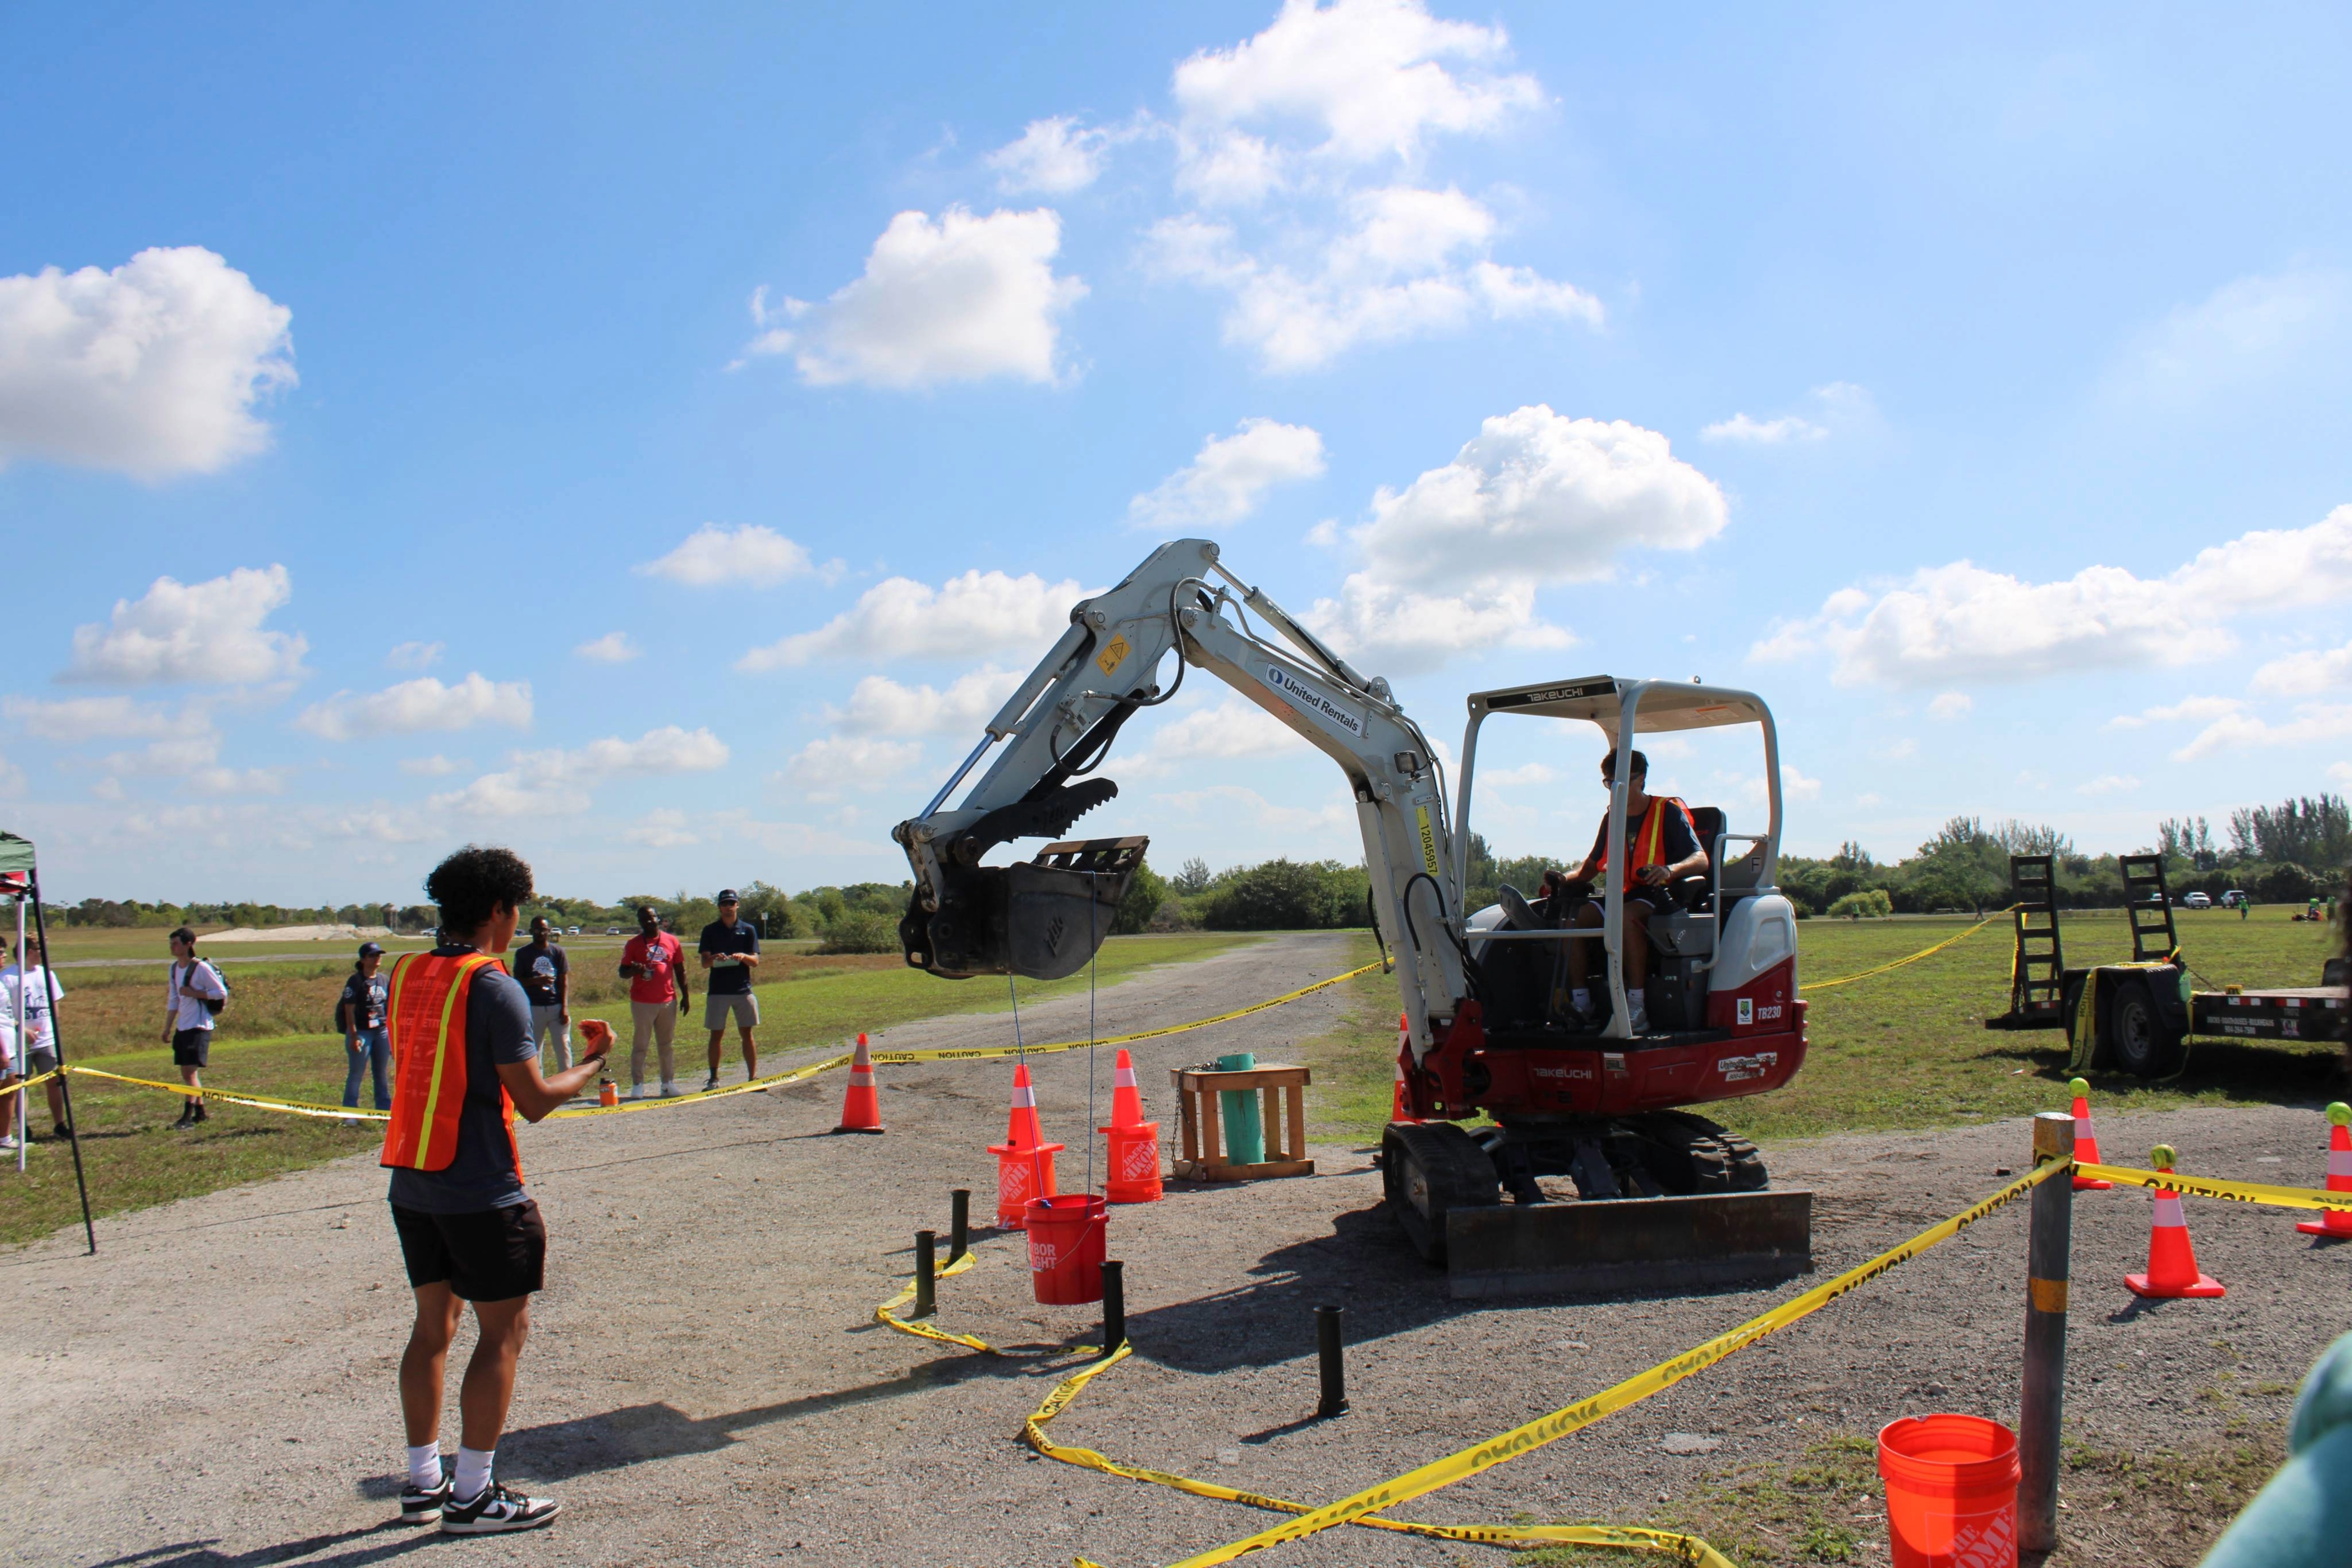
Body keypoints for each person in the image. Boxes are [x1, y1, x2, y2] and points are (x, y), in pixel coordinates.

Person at [384, 843, 611, 1535]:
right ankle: (474, 1494)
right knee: (503, 1332)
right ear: (498, 911)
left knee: (433, 1328)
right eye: (517, 911)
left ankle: (425, 1480)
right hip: (479, 1185)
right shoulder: (493, 985)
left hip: (413, 1178)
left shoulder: (406, 972)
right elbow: (535, 1100)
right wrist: (595, 1064)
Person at [1542, 748, 1707, 1036]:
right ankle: (1582, 1005)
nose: (1614, 790)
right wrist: (1562, 879)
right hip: (1623, 896)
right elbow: (1591, 867)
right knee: (1575, 920)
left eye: (1621, 782)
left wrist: (1670, 870)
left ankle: (1636, 1006)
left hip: (1660, 898)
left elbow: (1701, 859)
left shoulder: (1667, 812)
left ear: (1641, 779)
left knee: (1626, 917)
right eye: (1609, 783)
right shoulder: (1612, 818)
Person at [0, 931, 68, 1142]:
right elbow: (4, 1013)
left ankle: (60, 1124)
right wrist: (22, 1030)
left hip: (47, 1040)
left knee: (56, 1082)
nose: (45, 954)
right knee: (21, 1085)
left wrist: (53, 1030)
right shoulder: (8, 977)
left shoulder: (47, 974)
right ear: (31, 952)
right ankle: (25, 1128)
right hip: (20, 1044)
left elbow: (54, 1003)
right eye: (41, 950)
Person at [619, 905, 689, 1098]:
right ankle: (638, 1084)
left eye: (651, 918)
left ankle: (667, 1083)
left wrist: (686, 996)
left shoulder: (672, 941)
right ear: (640, 922)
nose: (648, 922)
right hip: (642, 1002)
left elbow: (680, 970)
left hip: (668, 1000)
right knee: (641, 1045)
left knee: (666, 1044)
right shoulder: (633, 944)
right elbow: (623, 972)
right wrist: (635, 970)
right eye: (644, 919)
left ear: (659, 918)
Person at [160, 927, 226, 1130]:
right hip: (184, 1026)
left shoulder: (201, 968)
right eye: (171, 943)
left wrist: (195, 993)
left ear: (189, 944)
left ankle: (187, 1117)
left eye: (176, 943)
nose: (172, 947)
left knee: (189, 1073)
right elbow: (174, 1000)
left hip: (199, 1026)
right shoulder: (174, 969)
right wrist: (168, 1027)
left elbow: (220, 992)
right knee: (187, 1074)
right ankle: (201, 1113)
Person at [697, 889, 762, 1092]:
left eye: (731, 903)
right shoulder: (710, 930)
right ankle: (714, 1078)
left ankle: (753, 1078)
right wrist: (716, 958)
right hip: (718, 991)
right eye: (725, 904)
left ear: (737, 905)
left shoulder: (748, 929)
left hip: (743, 990)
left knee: (747, 1034)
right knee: (716, 1035)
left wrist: (743, 956)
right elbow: (704, 964)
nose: (728, 907)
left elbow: (755, 962)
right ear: (719, 907)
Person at [338, 942, 393, 1120]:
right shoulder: (356, 981)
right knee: (357, 1073)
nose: (377, 958)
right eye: (372, 955)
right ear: (363, 959)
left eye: (379, 955)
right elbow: (349, 1011)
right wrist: (354, 1036)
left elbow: (388, 1006)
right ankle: (350, 1113)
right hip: (362, 1032)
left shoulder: (384, 979)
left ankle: (383, 1110)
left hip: (382, 1031)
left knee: (381, 1072)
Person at [512, 917, 571, 1076]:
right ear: (531, 932)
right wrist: (536, 981)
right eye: (537, 930)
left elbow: (563, 982)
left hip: (556, 1006)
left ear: (549, 931)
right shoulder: (524, 953)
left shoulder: (557, 952)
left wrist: (564, 1008)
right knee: (534, 1049)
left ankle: (567, 1081)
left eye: (544, 930)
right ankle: (538, 1083)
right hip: (533, 1007)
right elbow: (517, 981)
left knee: (563, 1045)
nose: (541, 933)